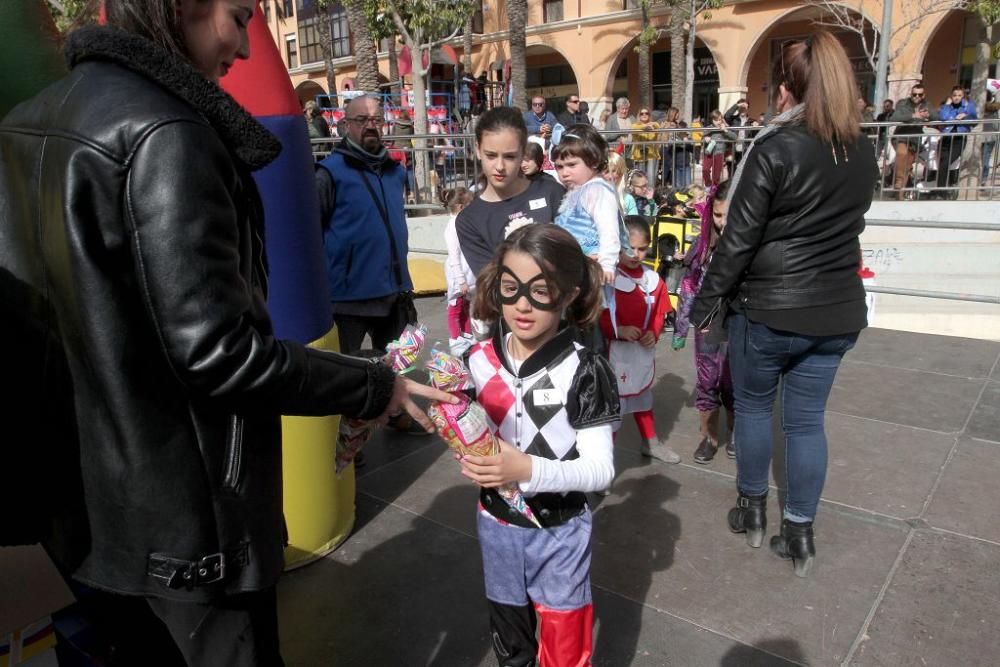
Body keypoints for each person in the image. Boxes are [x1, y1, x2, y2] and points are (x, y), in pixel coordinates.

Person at [0, 2, 456, 663]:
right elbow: (217, 352)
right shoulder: (166, 133)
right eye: (238, 17)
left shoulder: (27, 121)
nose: (243, 47)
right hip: (190, 532)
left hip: (85, 523)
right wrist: (370, 385)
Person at [690, 32, 878, 578]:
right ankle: (799, 533)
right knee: (805, 422)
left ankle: (751, 511)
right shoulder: (861, 147)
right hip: (837, 308)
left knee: (751, 409)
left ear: (786, 90)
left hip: (770, 309)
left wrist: (704, 303)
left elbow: (738, 239)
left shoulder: (775, 147)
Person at [460, 223, 618, 667]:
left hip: (560, 531)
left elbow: (600, 470)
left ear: (569, 293)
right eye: (511, 288)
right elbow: (468, 431)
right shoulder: (477, 359)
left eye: (541, 290)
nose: (523, 305)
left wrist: (526, 469)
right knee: (511, 644)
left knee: (565, 650)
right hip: (496, 525)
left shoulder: (585, 368)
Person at [318, 96, 417, 359]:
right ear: (346, 125)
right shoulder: (328, 173)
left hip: (394, 295)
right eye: (361, 120)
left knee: (398, 375)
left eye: (376, 119)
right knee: (346, 375)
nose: (370, 126)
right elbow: (309, 238)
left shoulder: (396, 172)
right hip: (348, 300)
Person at [600, 217, 679, 463]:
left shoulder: (653, 280)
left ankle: (651, 443)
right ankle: (604, 460)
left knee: (642, 398)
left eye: (642, 248)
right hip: (614, 353)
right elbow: (598, 315)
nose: (636, 254)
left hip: (641, 353)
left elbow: (658, 314)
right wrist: (618, 330)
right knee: (613, 410)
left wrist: (653, 333)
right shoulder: (607, 278)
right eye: (629, 248)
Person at [457, 107, 565, 278]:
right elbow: (492, 284)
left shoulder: (552, 192)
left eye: (509, 157)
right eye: (491, 155)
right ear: (478, 149)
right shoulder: (469, 220)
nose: (499, 166)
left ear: (523, 152)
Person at [673, 179, 735, 464]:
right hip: (708, 323)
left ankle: (736, 432)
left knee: (735, 381)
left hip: (740, 323)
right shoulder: (703, 244)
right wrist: (681, 326)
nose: (723, 222)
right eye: (719, 215)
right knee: (708, 379)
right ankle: (709, 436)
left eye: (730, 214)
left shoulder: (752, 240)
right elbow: (688, 286)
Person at [553, 124, 624, 283]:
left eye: (571, 165)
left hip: (591, 270)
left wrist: (606, 265)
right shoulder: (579, 191)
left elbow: (609, 230)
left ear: (593, 161)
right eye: (559, 167)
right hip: (573, 267)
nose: (564, 173)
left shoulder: (597, 190)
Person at [444, 187, 476, 356]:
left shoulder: (464, 223)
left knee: (467, 307)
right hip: (459, 275)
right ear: (461, 207)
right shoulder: (452, 227)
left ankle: (468, 336)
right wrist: (461, 280)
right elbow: (454, 256)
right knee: (455, 308)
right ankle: (456, 341)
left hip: (469, 274)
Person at [890, 83, 935, 200]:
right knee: (902, 154)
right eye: (914, 94)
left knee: (906, 166)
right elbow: (894, 117)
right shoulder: (903, 103)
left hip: (914, 139)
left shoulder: (926, 105)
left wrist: (929, 115)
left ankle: (899, 195)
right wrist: (913, 115)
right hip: (901, 136)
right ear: (911, 94)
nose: (917, 96)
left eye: (919, 94)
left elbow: (937, 116)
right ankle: (899, 183)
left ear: (923, 95)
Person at [936, 85, 978, 198]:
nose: (956, 98)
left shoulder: (969, 106)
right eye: (954, 95)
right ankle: (942, 190)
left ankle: (941, 191)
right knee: (942, 164)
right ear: (951, 96)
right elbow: (943, 117)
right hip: (946, 137)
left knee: (946, 163)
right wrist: (952, 113)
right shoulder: (947, 107)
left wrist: (964, 117)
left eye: (959, 95)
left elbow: (974, 120)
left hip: (959, 138)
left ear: (963, 96)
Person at [701, 110, 735, 187]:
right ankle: (708, 185)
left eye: (719, 120)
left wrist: (725, 130)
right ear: (712, 120)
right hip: (709, 153)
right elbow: (702, 138)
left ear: (722, 119)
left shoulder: (725, 128)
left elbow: (735, 137)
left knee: (716, 175)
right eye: (715, 120)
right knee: (705, 170)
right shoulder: (709, 128)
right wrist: (705, 139)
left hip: (719, 154)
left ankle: (714, 189)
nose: (718, 122)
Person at [631, 107, 661, 184]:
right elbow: (633, 129)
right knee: (640, 179)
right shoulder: (635, 125)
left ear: (649, 115)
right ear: (639, 116)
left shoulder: (654, 124)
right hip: (639, 155)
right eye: (642, 114)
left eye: (646, 113)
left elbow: (657, 126)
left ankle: (650, 195)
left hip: (652, 155)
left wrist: (651, 124)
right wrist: (645, 126)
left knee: (651, 179)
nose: (644, 115)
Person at [604, 151, 638, 215]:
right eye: (607, 171)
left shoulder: (628, 199)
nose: (610, 175)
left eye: (614, 171)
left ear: (620, 174)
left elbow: (634, 223)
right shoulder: (593, 198)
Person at [724, 98, 752, 167]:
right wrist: (737, 105)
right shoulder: (733, 119)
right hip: (733, 149)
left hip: (744, 149)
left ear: (747, 108)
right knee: (731, 171)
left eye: (744, 107)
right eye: (741, 108)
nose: (742, 109)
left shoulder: (751, 121)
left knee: (741, 171)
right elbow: (726, 115)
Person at [981, 91, 999, 187]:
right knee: (985, 159)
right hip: (984, 136)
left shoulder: (994, 106)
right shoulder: (983, 106)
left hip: (991, 136)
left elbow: (992, 107)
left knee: (985, 158)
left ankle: (983, 179)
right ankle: (983, 179)